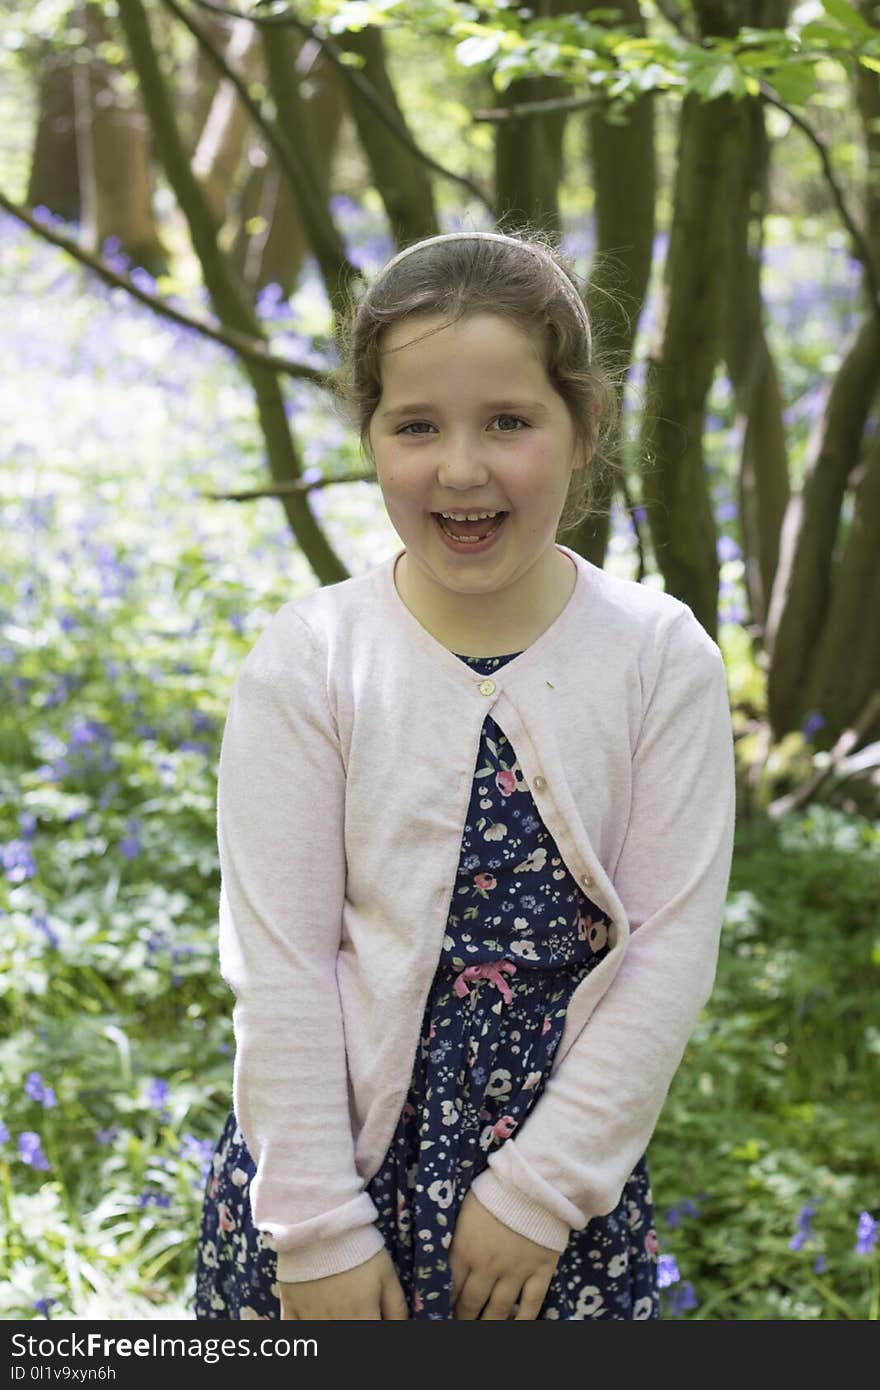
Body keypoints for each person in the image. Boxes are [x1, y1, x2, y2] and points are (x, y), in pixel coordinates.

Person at [193, 229, 736, 1321]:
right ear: (370, 436)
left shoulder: (656, 656)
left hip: (553, 1198)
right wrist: (317, 1229)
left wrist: (545, 1188)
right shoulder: (314, 658)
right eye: (415, 426)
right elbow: (281, 962)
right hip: (333, 1174)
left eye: (508, 421)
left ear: (584, 427)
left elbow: (668, 948)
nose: (459, 468)